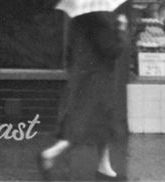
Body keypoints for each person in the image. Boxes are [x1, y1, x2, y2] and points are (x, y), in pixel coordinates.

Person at [38, 10, 128, 180]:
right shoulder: (99, 20)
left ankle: (104, 165)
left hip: (83, 76)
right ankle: (50, 154)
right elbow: (112, 50)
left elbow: (70, 50)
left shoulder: (78, 18)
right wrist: (121, 29)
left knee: (102, 122)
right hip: (97, 80)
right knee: (86, 124)